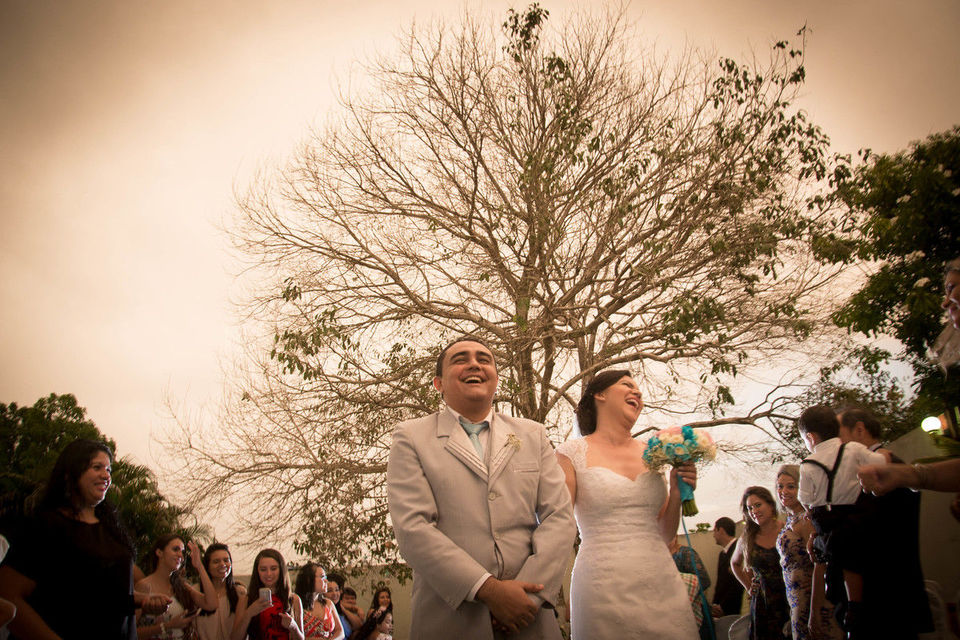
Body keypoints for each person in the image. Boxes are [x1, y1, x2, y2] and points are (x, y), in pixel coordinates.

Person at [386, 336, 576, 639]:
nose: (474, 364)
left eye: (484, 359)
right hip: (451, 618)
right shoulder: (411, 438)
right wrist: (489, 590)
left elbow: (560, 517)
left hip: (531, 619)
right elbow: (413, 528)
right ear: (438, 383)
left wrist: (527, 596)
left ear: (496, 379)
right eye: (460, 359)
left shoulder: (532, 435)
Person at [555, 369, 700, 639]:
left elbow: (665, 534)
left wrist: (679, 493)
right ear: (600, 394)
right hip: (602, 582)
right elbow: (558, 524)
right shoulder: (570, 453)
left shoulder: (652, 453)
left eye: (638, 389)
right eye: (626, 385)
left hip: (661, 579)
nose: (637, 392)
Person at [0, 439, 170, 639]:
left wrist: (142, 601)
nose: (106, 475)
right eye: (97, 467)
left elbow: (95, 594)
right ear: (70, 473)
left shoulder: (110, 530)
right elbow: (8, 593)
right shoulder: (45, 526)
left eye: (108, 469)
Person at [837, 407, 932, 638]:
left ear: (859, 430)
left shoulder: (887, 469)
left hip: (886, 594)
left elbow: (867, 533)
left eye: (837, 434)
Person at [796, 406, 886, 639]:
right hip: (853, 512)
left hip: (825, 517)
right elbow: (880, 463)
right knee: (852, 560)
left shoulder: (808, 463)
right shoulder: (854, 448)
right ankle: (853, 604)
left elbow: (804, 498)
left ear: (810, 438)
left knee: (832, 558)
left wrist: (811, 511)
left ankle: (840, 599)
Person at [773, 465, 841, 640]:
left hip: (812, 598)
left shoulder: (807, 520)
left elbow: (821, 562)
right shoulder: (790, 519)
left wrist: (814, 609)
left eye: (791, 486)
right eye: (780, 486)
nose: (783, 491)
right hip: (796, 599)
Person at [730, 486, 789, 640]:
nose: (754, 511)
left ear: (770, 504)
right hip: (763, 604)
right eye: (749, 508)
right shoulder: (747, 538)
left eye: (758, 505)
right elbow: (735, 564)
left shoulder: (786, 530)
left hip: (788, 597)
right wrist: (749, 586)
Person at [136, 534, 219, 639]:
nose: (181, 555)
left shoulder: (181, 586)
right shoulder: (144, 586)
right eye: (176, 549)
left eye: (182, 552)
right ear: (159, 552)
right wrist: (167, 626)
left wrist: (199, 566)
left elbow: (212, 604)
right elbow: (130, 632)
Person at [230, 548, 304, 640]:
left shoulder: (294, 599)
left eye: (273, 568)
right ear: (257, 571)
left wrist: (293, 626)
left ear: (281, 570)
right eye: (263, 569)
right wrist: (249, 613)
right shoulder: (246, 600)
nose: (268, 574)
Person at [196, 543, 247, 640]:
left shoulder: (240, 592)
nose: (222, 564)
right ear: (207, 566)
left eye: (226, 560)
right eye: (216, 561)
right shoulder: (196, 591)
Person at [293, 563, 343, 639]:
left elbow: (340, 631)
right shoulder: (296, 603)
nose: (326, 581)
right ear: (309, 580)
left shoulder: (328, 603)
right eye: (322, 577)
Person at [710, 517, 744, 618]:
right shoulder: (722, 554)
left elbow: (738, 582)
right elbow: (720, 582)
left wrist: (724, 607)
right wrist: (715, 605)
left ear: (721, 530)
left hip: (736, 609)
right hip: (721, 611)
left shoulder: (739, 549)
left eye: (714, 531)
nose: (713, 535)